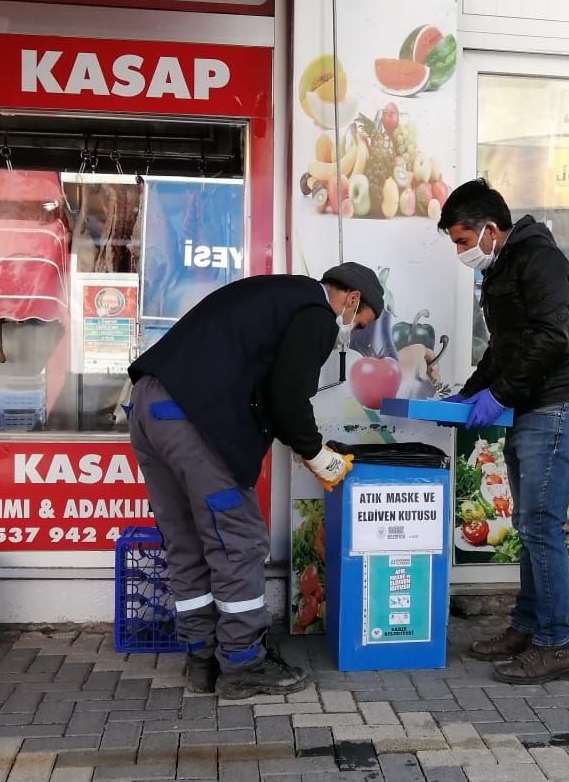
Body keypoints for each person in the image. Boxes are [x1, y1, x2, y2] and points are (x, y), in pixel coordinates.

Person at [127, 262, 383, 696]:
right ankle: (243, 661)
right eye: (360, 323)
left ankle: (201, 658)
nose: (353, 332)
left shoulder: (276, 295)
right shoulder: (316, 313)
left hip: (148, 406)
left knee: (186, 540)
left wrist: (302, 444)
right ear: (352, 298)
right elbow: (288, 397)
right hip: (191, 417)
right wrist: (317, 454)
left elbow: (266, 386)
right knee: (238, 540)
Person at [439, 179, 569, 684]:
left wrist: (499, 395)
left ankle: (555, 644)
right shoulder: (503, 267)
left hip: (559, 407)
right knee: (531, 531)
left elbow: (553, 338)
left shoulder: (540, 260)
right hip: (531, 410)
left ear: (490, 229)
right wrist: (470, 393)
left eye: (464, 241)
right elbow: (503, 348)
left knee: (540, 527)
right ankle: (527, 627)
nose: (462, 252)